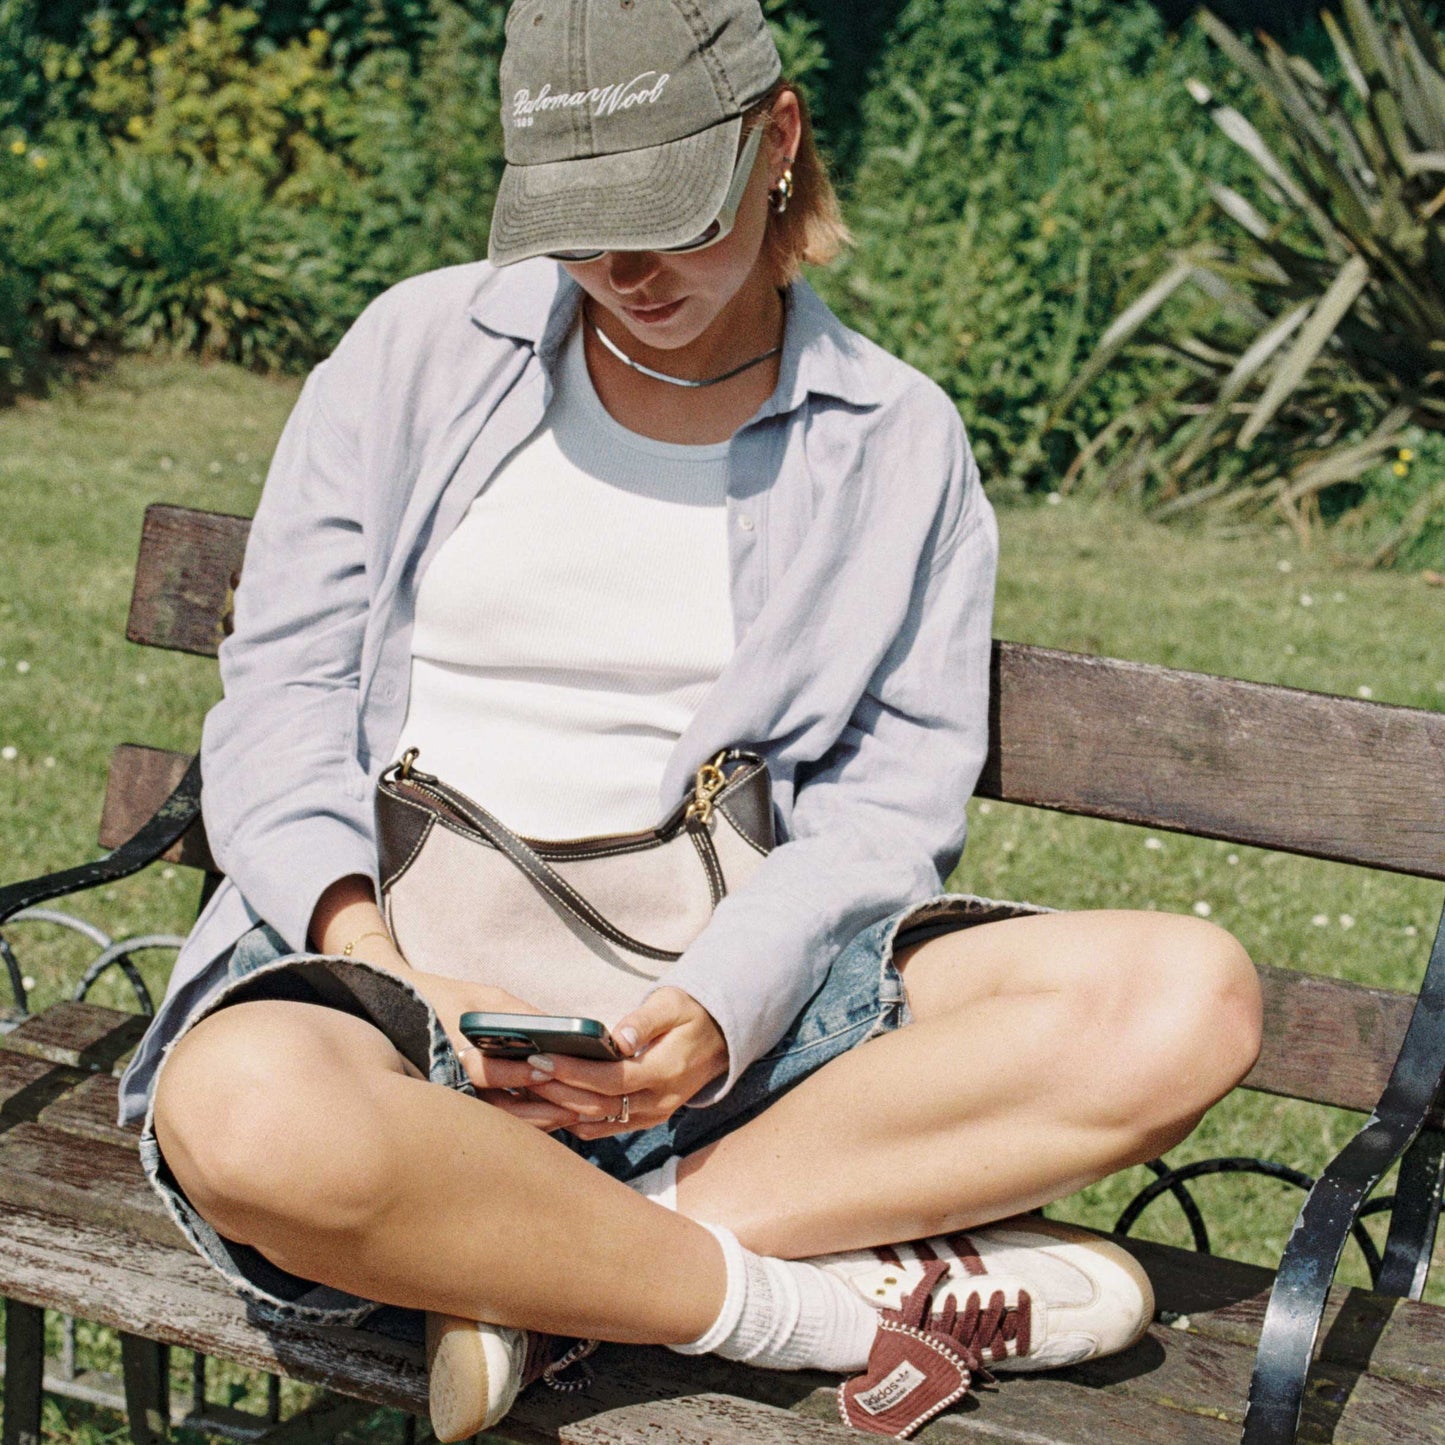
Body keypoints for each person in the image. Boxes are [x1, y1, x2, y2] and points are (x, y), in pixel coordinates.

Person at [119, 1, 1265, 1439]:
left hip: (715, 1021)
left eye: (663, 208)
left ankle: (538, 1262)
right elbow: (279, 697)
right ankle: (822, 1308)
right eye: (578, 222)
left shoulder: (891, 439)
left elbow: (883, 814)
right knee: (248, 1112)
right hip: (388, 1003)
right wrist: (383, 961)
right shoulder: (412, 352)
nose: (624, 266)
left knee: (1186, 995)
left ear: (774, 140)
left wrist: (713, 1015)